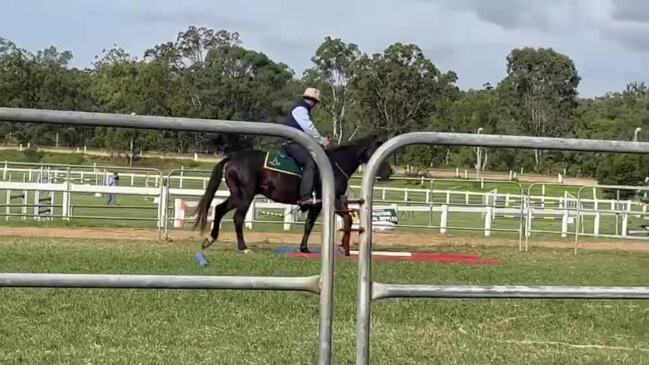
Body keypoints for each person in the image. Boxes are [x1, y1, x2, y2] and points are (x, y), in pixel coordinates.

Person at [282, 87, 331, 208]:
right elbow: (308, 128)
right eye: (315, 102)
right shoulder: (301, 109)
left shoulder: (301, 108)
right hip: (292, 144)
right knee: (310, 162)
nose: (314, 105)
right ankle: (305, 197)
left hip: (294, 142)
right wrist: (322, 141)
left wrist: (321, 139)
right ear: (312, 101)